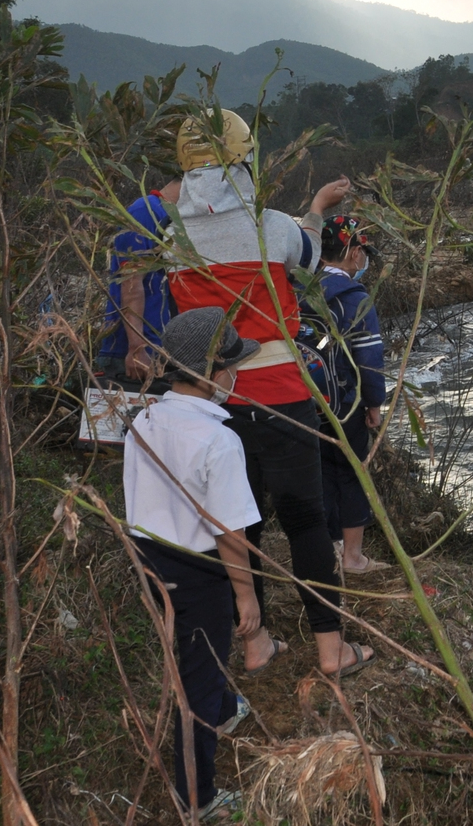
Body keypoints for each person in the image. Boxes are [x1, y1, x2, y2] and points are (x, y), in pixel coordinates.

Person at [164, 108, 372, 678]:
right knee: (305, 522)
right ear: (244, 159)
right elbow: (308, 261)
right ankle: (332, 651)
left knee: (239, 523)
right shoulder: (270, 227)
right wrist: (316, 211)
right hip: (281, 396)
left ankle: (257, 645)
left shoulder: (170, 238)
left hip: (216, 406)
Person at [123, 308, 264, 822]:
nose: (236, 375)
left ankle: (226, 712)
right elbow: (231, 533)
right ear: (211, 375)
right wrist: (244, 598)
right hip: (200, 566)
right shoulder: (219, 441)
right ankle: (197, 798)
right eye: (231, 366)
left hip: (150, 555)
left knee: (193, 650)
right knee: (198, 677)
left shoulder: (145, 418)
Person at [305, 215, 385, 575]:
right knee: (352, 475)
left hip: (305, 402)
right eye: (363, 251)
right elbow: (369, 357)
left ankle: (329, 550)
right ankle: (353, 558)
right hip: (346, 402)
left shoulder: (300, 288)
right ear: (354, 253)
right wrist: (374, 404)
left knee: (318, 475)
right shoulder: (354, 298)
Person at [95, 178, 182, 385]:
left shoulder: (173, 217)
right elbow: (131, 283)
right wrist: (137, 347)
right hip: (134, 351)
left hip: (162, 346)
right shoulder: (146, 212)